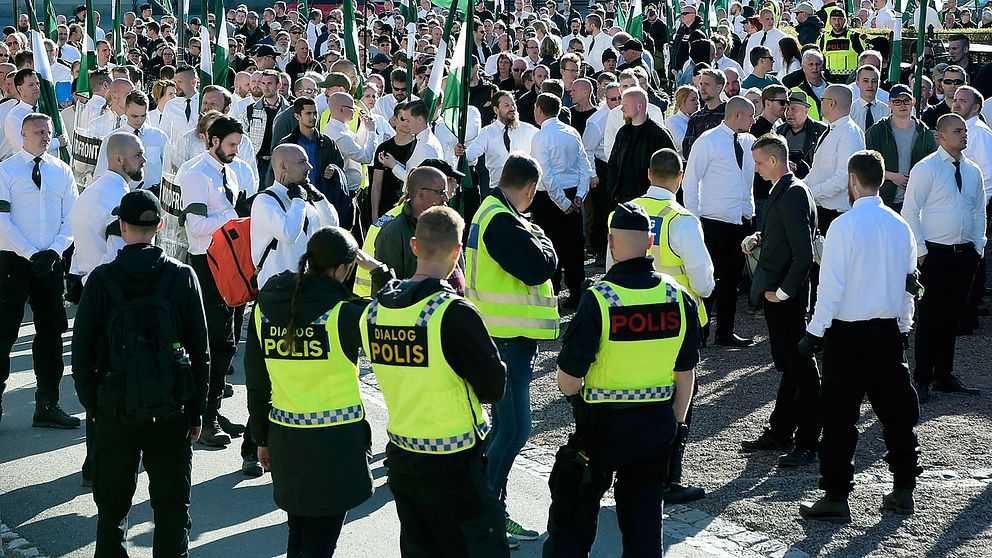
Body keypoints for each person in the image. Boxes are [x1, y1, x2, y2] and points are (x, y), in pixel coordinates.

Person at [544, 201, 700, 557]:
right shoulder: (677, 297)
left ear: (612, 243)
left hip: (601, 428)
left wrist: (578, 397)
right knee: (645, 523)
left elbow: (568, 379)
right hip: (656, 427)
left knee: (574, 519)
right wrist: (676, 426)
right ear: (649, 243)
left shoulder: (599, 300)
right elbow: (686, 372)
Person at [360, 206, 510, 557]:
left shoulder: (374, 314)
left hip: (402, 454)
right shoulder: (453, 313)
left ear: (414, 246)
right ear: (458, 252)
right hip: (455, 459)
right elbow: (493, 387)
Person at [71, 189, 209, 557]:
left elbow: (81, 353)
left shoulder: (101, 280)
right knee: (172, 508)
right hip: (170, 407)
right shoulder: (182, 276)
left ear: (121, 227)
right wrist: (196, 410)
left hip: (116, 407)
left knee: (112, 511)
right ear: (160, 225)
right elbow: (200, 350)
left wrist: (95, 403)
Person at [796, 149, 922, 523]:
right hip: (886, 332)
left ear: (852, 180)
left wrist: (813, 333)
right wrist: (904, 326)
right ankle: (903, 490)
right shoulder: (900, 226)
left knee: (838, 418)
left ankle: (836, 497)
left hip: (847, 336)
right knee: (898, 416)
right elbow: (908, 286)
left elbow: (830, 288)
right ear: (881, 179)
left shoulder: (845, 226)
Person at [247, 227, 385, 556]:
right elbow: (394, 314)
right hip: (335, 446)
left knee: (299, 535)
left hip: (286, 439)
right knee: (320, 543)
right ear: (341, 269)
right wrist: (380, 272)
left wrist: (261, 438)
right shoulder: (345, 315)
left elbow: (256, 381)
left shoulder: (264, 308)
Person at [462, 153, 559, 545]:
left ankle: (481, 502)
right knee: (516, 429)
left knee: (504, 428)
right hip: (507, 339)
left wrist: (535, 234)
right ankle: (486, 510)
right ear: (530, 187)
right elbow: (541, 265)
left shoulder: (493, 212)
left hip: (502, 336)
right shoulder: (501, 219)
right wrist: (542, 237)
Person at [613, 147, 713, 503]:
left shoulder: (625, 213)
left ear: (649, 175)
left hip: (629, 315)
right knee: (680, 398)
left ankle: (631, 469)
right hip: (677, 319)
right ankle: (668, 478)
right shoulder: (681, 219)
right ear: (681, 178)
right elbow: (703, 283)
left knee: (635, 391)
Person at [740, 134, 820, 467]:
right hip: (781, 295)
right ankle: (781, 432)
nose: (756, 169)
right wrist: (760, 237)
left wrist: (783, 292)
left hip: (786, 297)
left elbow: (803, 253)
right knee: (791, 366)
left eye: (759, 162)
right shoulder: (787, 191)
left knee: (802, 370)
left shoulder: (792, 193)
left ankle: (807, 442)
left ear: (774, 161)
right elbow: (789, 237)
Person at [0, 113, 78, 428]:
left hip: (50, 262)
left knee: (51, 333)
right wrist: (31, 252)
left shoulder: (62, 171)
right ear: (22, 134)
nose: (45, 137)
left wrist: (55, 250)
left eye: (47, 132)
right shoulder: (6, 171)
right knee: (4, 333)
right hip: (14, 261)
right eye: (37, 132)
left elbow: (72, 218)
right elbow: (2, 220)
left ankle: (48, 403)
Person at [902, 114, 986, 403]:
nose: (964, 135)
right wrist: (922, 252)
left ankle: (943, 375)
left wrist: (979, 246)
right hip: (935, 254)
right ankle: (922, 377)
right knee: (930, 317)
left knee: (953, 315)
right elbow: (910, 211)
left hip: (964, 254)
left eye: (965, 130)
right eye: (957, 131)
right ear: (940, 136)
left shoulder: (972, 169)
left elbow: (978, 210)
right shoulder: (927, 168)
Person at [180, 115, 245, 448]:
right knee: (215, 344)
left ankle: (213, 410)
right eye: (231, 145)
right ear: (213, 141)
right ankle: (203, 419)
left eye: (238, 145)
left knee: (228, 343)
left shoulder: (229, 172)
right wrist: (235, 216)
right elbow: (196, 226)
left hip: (230, 264)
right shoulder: (196, 176)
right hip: (206, 265)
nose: (236, 151)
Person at [683, 96, 757, 347]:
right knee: (707, 280)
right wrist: (694, 220)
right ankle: (700, 332)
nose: (754, 119)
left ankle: (724, 332)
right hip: (713, 221)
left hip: (741, 220)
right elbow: (690, 181)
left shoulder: (750, 141)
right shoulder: (708, 141)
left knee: (732, 281)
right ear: (737, 115)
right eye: (750, 115)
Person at [530, 93, 594, 309]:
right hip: (572, 193)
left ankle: (552, 293)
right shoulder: (571, 131)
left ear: (539, 109)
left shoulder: (541, 137)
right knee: (573, 246)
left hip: (549, 198)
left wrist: (565, 202)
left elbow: (545, 175)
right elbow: (585, 167)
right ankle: (576, 291)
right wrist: (579, 196)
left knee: (550, 245)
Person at [372, 165, 463, 295]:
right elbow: (387, 293)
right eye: (440, 192)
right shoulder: (393, 233)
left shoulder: (448, 222)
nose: (446, 198)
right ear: (421, 194)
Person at [865, 84, 937, 213]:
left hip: (917, 202)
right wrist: (891, 176)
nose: (902, 105)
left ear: (913, 102)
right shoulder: (876, 131)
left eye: (906, 101)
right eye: (897, 102)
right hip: (884, 201)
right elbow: (867, 166)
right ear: (889, 104)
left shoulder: (924, 133)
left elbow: (934, 166)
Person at [806, 85, 866, 233]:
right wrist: (800, 187)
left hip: (836, 214)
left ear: (831, 103)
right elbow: (817, 172)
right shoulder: (832, 129)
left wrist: (811, 192)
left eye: (822, 100)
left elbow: (843, 177)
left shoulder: (848, 133)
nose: (821, 103)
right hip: (823, 210)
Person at [457, 90, 539, 194]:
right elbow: (469, 156)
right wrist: (460, 153)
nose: (512, 108)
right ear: (496, 110)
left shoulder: (528, 130)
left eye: (513, 104)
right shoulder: (487, 133)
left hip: (524, 190)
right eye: (506, 105)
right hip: (498, 190)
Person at [607, 87, 676, 203]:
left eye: (626, 106)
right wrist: (612, 191)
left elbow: (669, 168)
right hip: (623, 199)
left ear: (639, 106)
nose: (622, 109)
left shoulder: (658, 135)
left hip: (649, 200)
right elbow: (613, 164)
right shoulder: (623, 133)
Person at [817, 8, 865, 84]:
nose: (837, 22)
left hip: (851, 80)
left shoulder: (855, 37)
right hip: (829, 81)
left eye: (840, 19)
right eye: (834, 19)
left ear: (845, 20)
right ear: (829, 21)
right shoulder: (823, 38)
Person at [850, 65, 891, 133]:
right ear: (857, 83)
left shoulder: (887, 111)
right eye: (865, 81)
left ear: (879, 83)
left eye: (874, 81)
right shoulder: (850, 111)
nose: (870, 85)